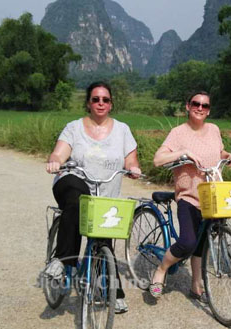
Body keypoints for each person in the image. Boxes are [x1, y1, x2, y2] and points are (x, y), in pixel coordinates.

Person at [45, 81, 141, 314]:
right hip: (71, 182)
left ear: (111, 104)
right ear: (88, 103)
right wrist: (56, 159)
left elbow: (131, 159)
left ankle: (112, 290)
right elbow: (60, 151)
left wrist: (133, 168)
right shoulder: (74, 128)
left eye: (105, 100)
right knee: (78, 198)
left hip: (104, 193)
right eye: (95, 99)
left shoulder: (122, 130)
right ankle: (63, 260)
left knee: (103, 242)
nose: (100, 103)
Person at [149, 91, 231, 302]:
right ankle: (161, 269)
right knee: (188, 242)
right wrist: (184, 152)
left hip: (213, 196)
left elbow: (220, 152)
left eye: (205, 105)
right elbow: (158, 159)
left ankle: (196, 285)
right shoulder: (178, 133)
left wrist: (228, 156)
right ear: (188, 106)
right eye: (196, 104)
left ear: (209, 110)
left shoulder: (214, 130)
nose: (200, 108)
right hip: (189, 196)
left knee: (202, 242)